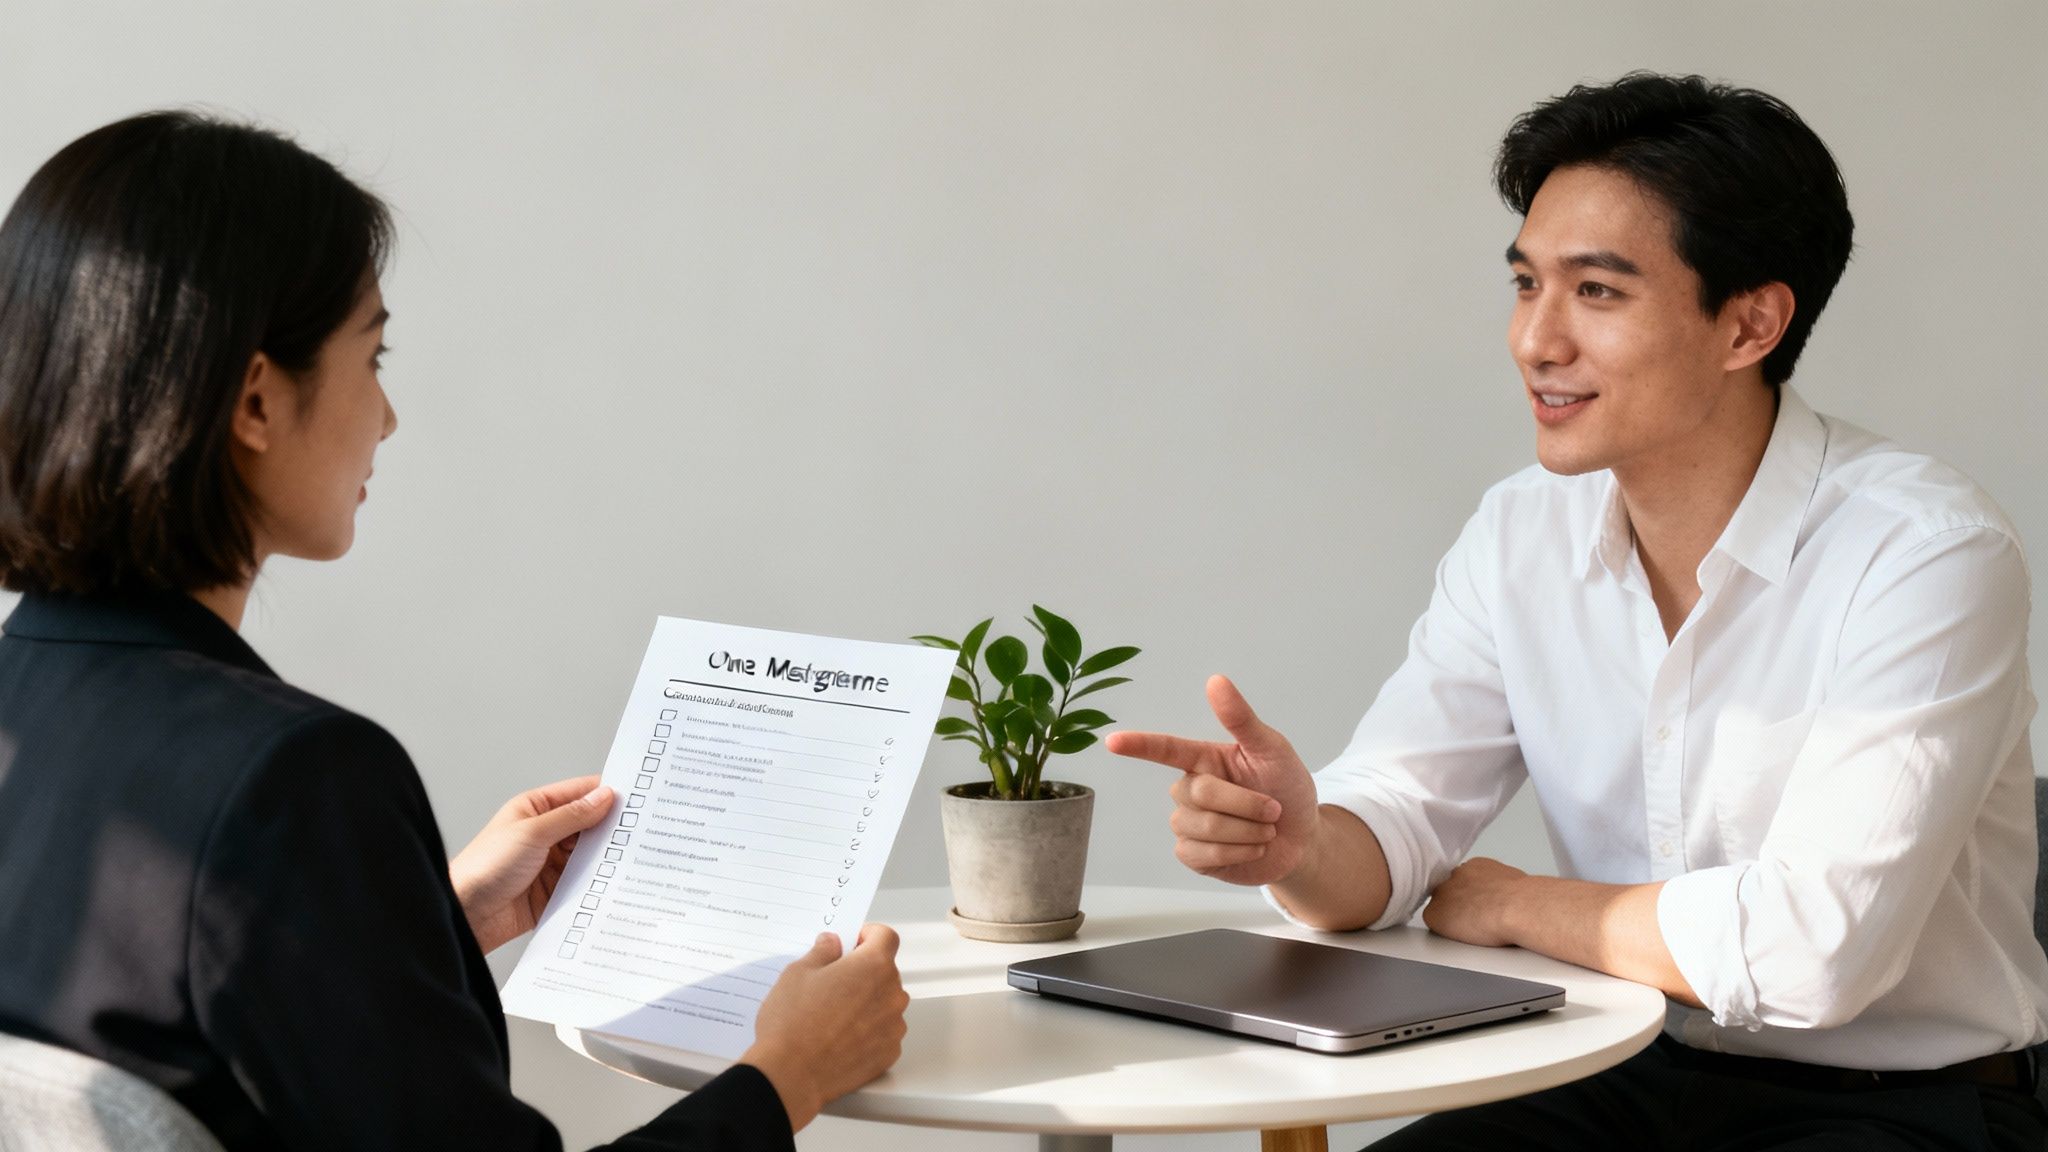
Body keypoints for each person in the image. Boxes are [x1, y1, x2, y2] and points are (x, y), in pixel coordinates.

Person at [1110, 72, 2048, 1151]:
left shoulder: (1924, 552)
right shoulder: (1521, 532)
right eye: (1526, 284)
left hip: (1897, 1104)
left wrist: (1522, 904)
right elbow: (1401, 818)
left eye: (1596, 292)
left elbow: (1812, 955)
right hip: (1621, 1072)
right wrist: (1301, 840)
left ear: (1749, 324)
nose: (1534, 341)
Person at [0, 111, 909, 1151]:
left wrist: (431, 917)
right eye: (372, 355)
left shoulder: (34, 721)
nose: (386, 417)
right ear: (256, 401)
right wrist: (788, 1073)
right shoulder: (293, 783)